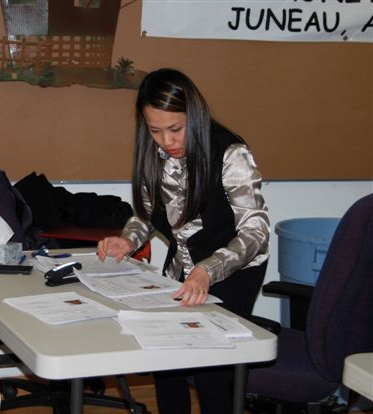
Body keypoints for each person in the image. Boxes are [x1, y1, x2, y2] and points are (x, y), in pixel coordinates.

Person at [97, 68, 270, 414]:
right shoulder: (155, 152)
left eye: (176, 129)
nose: (167, 141)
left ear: (195, 115)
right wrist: (128, 240)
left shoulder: (230, 153)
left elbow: (256, 231)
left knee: (211, 371)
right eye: (155, 130)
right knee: (167, 361)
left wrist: (209, 270)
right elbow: (147, 214)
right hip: (184, 261)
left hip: (232, 268)